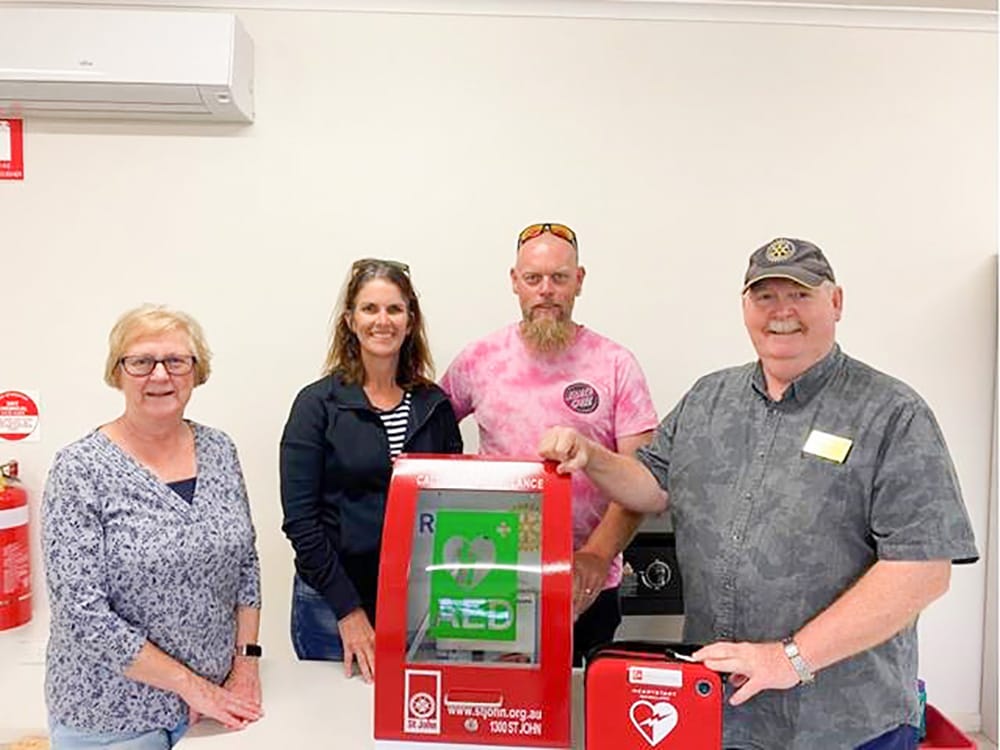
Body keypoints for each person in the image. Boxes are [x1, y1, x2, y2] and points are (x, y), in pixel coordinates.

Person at [540, 237, 979, 749]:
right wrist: (592, 457)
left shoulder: (893, 413)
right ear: (745, 307)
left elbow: (923, 570)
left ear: (836, 302)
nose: (781, 311)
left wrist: (790, 658)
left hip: (844, 725)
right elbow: (651, 487)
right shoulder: (708, 399)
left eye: (799, 294)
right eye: (764, 296)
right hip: (720, 716)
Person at [42, 305, 263, 750]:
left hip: (217, 709)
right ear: (117, 372)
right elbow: (81, 612)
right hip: (112, 718)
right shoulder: (79, 469)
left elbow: (246, 565)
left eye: (176, 361)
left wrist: (246, 664)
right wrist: (190, 685)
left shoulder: (219, 450)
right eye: (141, 361)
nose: (160, 375)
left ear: (196, 371)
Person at [440, 222, 658, 666]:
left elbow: (644, 479)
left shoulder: (615, 364)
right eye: (533, 278)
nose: (546, 291)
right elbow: (429, 440)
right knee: (497, 701)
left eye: (559, 278)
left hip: (586, 583)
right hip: (491, 579)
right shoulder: (478, 360)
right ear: (514, 282)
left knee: (578, 703)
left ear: (579, 281)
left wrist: (596, 555)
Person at [280, 258, 463, 682]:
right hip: (330, 605)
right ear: (350, 320)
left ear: (410, 320)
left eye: (394, 309)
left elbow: (451, 506)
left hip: (418, 604)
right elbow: (301, 522)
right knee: (334, 716)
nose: (383, 321)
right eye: (369, 309)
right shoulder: (316, 406)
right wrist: (349, 611)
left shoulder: (434, 406)